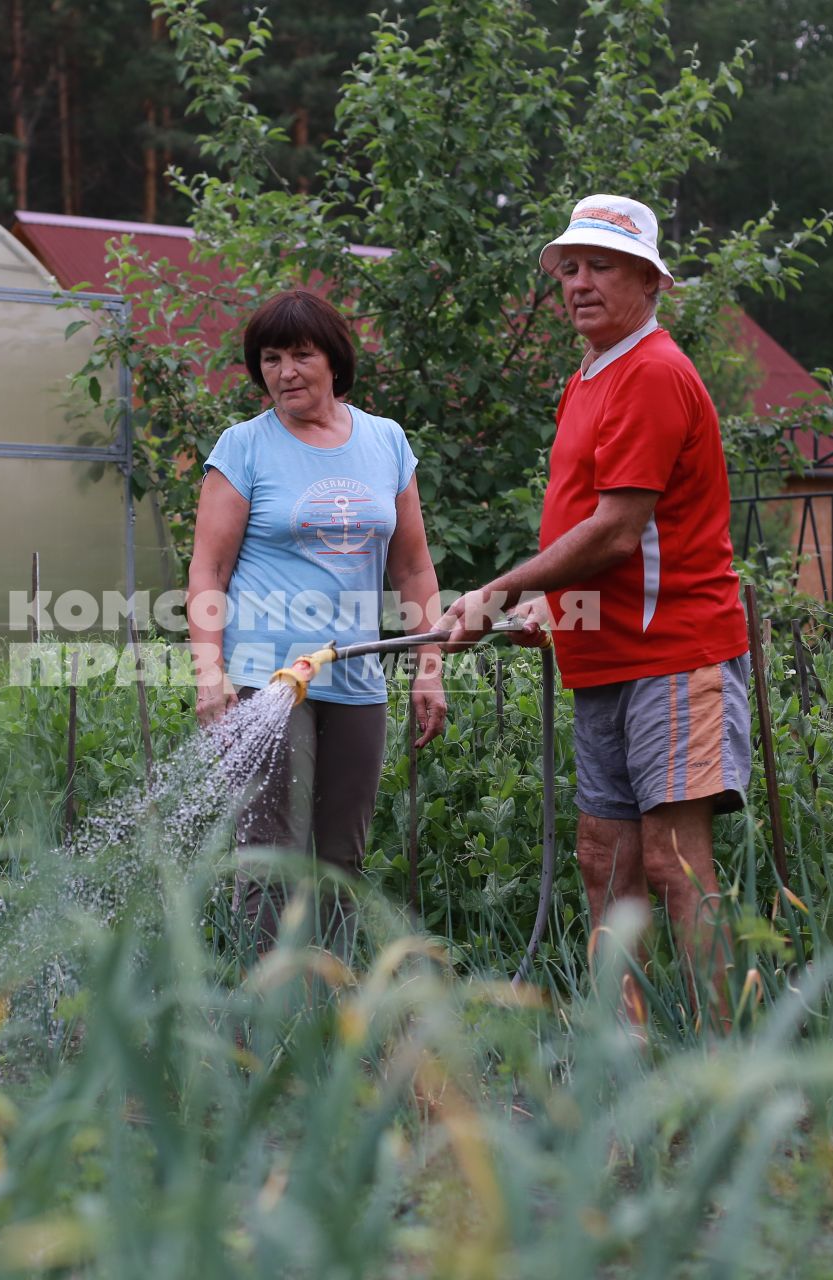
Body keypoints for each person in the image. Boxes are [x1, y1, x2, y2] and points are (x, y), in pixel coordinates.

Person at [437, 194, 751, 1019]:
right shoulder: (589, 376)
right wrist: (550, 607)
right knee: (602, 854)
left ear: (649, 279)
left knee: (672, 861)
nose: (579, 282)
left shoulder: (651, 372)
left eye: (601, 265)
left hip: (674, 650)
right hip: (606, 652)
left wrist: (499, 593)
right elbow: (590, 521)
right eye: (569, 267)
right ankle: (624, 1053)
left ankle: (723, 1069)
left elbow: (618, 531)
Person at [187, 288, 446, 947]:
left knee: (340, 861)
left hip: (357, 679)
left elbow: (413, 569)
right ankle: (263, 1027)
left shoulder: (386, 441)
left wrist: (429, 667)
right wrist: (208, 673)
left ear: (334, 361)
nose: (285, 372)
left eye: (301, 355)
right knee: (272, 856)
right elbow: (207, 570)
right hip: (267, 676)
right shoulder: (243, 447)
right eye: (270, 359)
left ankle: (326, 1022)